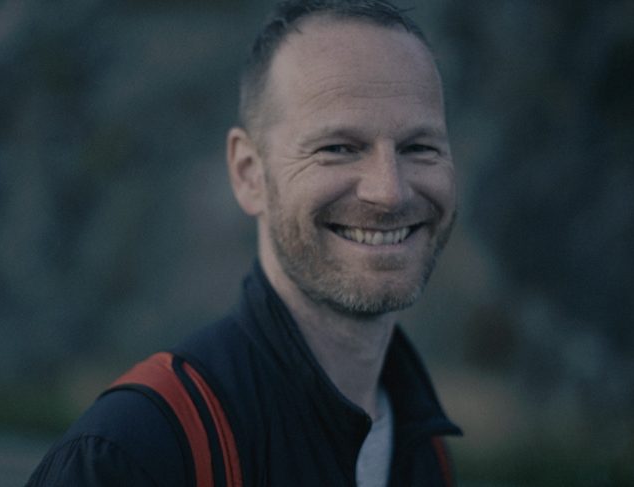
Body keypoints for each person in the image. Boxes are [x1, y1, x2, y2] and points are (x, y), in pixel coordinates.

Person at [27, 0, 461, 485]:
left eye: (419, 147)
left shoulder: (425, 450)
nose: (389, 190)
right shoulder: (133, 454)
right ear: (248, 173)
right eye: (338, 148)